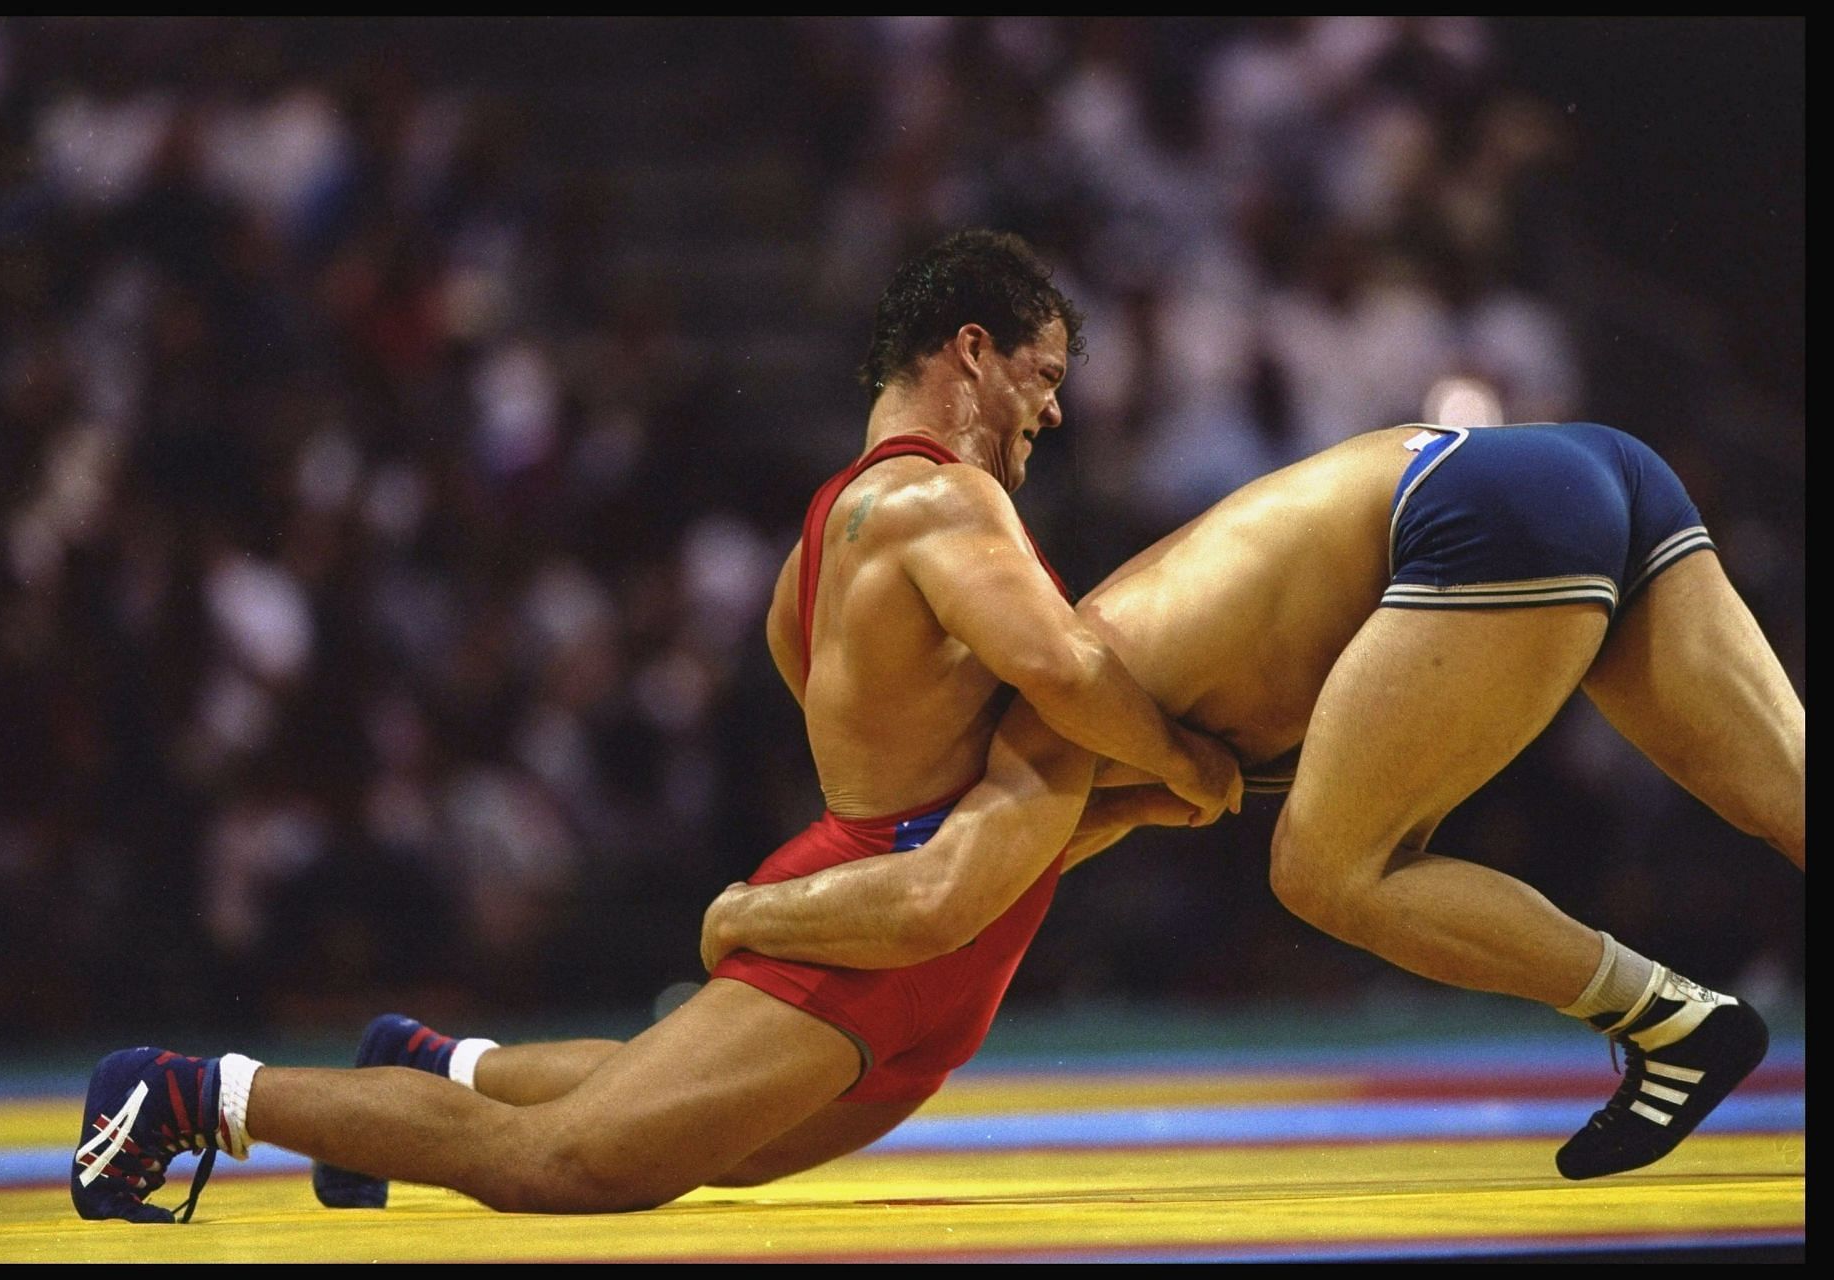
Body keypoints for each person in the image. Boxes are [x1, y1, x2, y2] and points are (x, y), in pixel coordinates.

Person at [68, 230, 1241, 1223]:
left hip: (931, 919)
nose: (1055, 404)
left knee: (696, 1138)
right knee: (569, 1164)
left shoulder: (820, 546)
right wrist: (1185, 759)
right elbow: (1064, 670)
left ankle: (431, 1066)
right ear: (971, 353)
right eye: (1040, 372)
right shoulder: (941, 495)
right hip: (886, 921)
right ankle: (182, 1090)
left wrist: (1113, 798)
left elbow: (850, 699)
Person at [702, 421, 1804, 1181]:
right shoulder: (1071, 677)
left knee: (1327, 868)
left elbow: (941, 896)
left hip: (1476, 515)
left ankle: (1676, 1020)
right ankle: (1679, 1023)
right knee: (1789, 795)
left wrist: (751, 913)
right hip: (1580, 464)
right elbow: (986, 886)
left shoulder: (1043, 723)